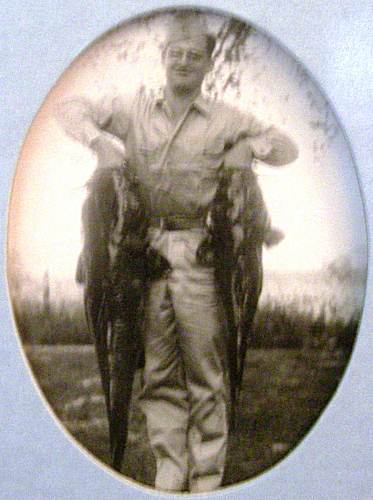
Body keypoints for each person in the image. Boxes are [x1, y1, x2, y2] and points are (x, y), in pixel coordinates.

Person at [56, 11, 298, 493]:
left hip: (203, 252)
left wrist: (251, 147)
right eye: (176, 54)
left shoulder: (228, 118)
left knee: (207, 367)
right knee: (158, 367)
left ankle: (207, 477)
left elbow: (287, 149)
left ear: (209, 64)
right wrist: (98, 140)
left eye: (195, 55)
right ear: (163, 59)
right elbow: (71, 108)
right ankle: (170, 473)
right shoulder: (132, 109)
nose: (184, 62)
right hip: (140, 253)